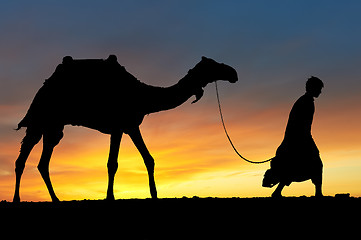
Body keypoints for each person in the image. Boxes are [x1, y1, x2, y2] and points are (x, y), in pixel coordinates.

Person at [262, 76, 324, 197]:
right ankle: (318, 193)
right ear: (312, 88)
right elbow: (302, 126)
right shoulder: (306, 102)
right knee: (316, 164)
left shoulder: (304, 101)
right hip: (298, 140)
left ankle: (278, 192)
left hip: (295, 140)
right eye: (319, 89)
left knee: (292, 167)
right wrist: (308, 142)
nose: (320, 92)